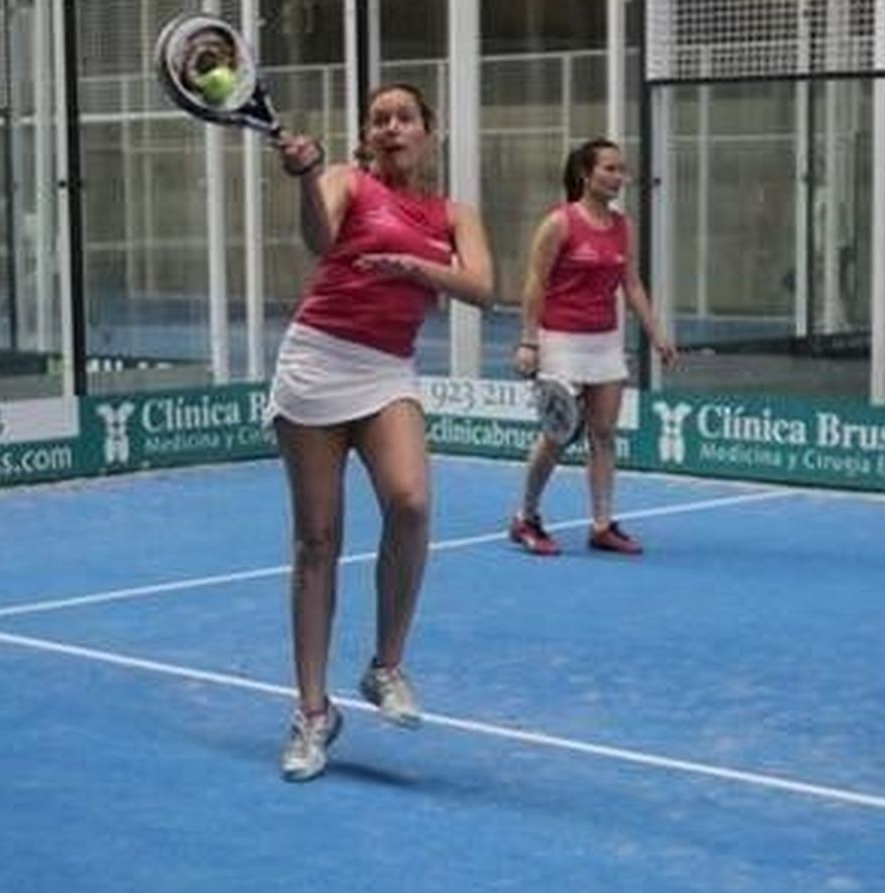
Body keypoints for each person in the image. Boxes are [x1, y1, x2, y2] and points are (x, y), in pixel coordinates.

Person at [269, 84, 494, 782]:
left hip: (386, 371)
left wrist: (413, 267)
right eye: (379, 119)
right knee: (317, 541)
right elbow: (319, 239)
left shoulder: (456, 214)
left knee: (411, 502)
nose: (391, 127)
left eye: (405, 118)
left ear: (430, 132)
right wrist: (308, 177)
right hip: (317, 361)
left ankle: (385, 666)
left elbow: (483, 287)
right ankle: (312, 714)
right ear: (367, 135)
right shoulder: (345, 181)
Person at [509, 138, 676, 557]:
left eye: (622, 170)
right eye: (610, 169)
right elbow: (535, 283)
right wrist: (529, 341)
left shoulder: (624, 227)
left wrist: (656, 333)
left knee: (603, 434)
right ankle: (525, 517)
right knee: (556, 434)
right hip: (560, 340)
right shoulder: (559, 223)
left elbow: (631, 284)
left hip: (605, 342)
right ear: (587, 174)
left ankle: (602, 525)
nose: (620, 177)